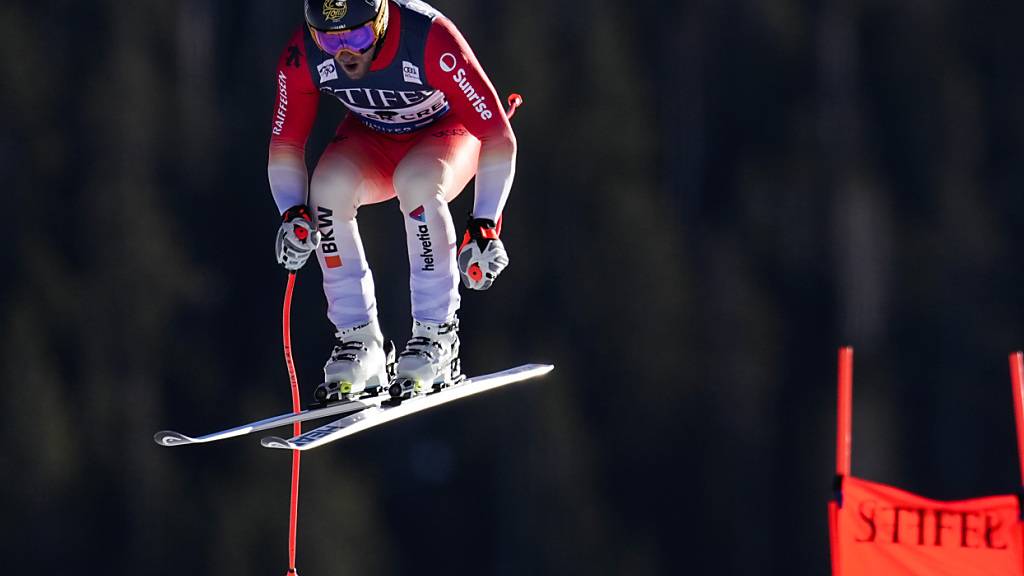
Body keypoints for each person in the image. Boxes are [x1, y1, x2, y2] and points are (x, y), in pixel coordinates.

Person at [268, 0, 516, 401]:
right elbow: (285, 146)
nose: (345, 52)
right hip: (375, 137)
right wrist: (293, 213)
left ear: (382, 18)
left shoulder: (428, 38)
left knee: (416, 184)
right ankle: (359, 341)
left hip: (448, 133)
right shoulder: (302, 55)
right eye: (329, 40)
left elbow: (498, 136)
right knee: (327, 189)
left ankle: (437, 338)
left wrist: (484, 222)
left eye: (358, 37)